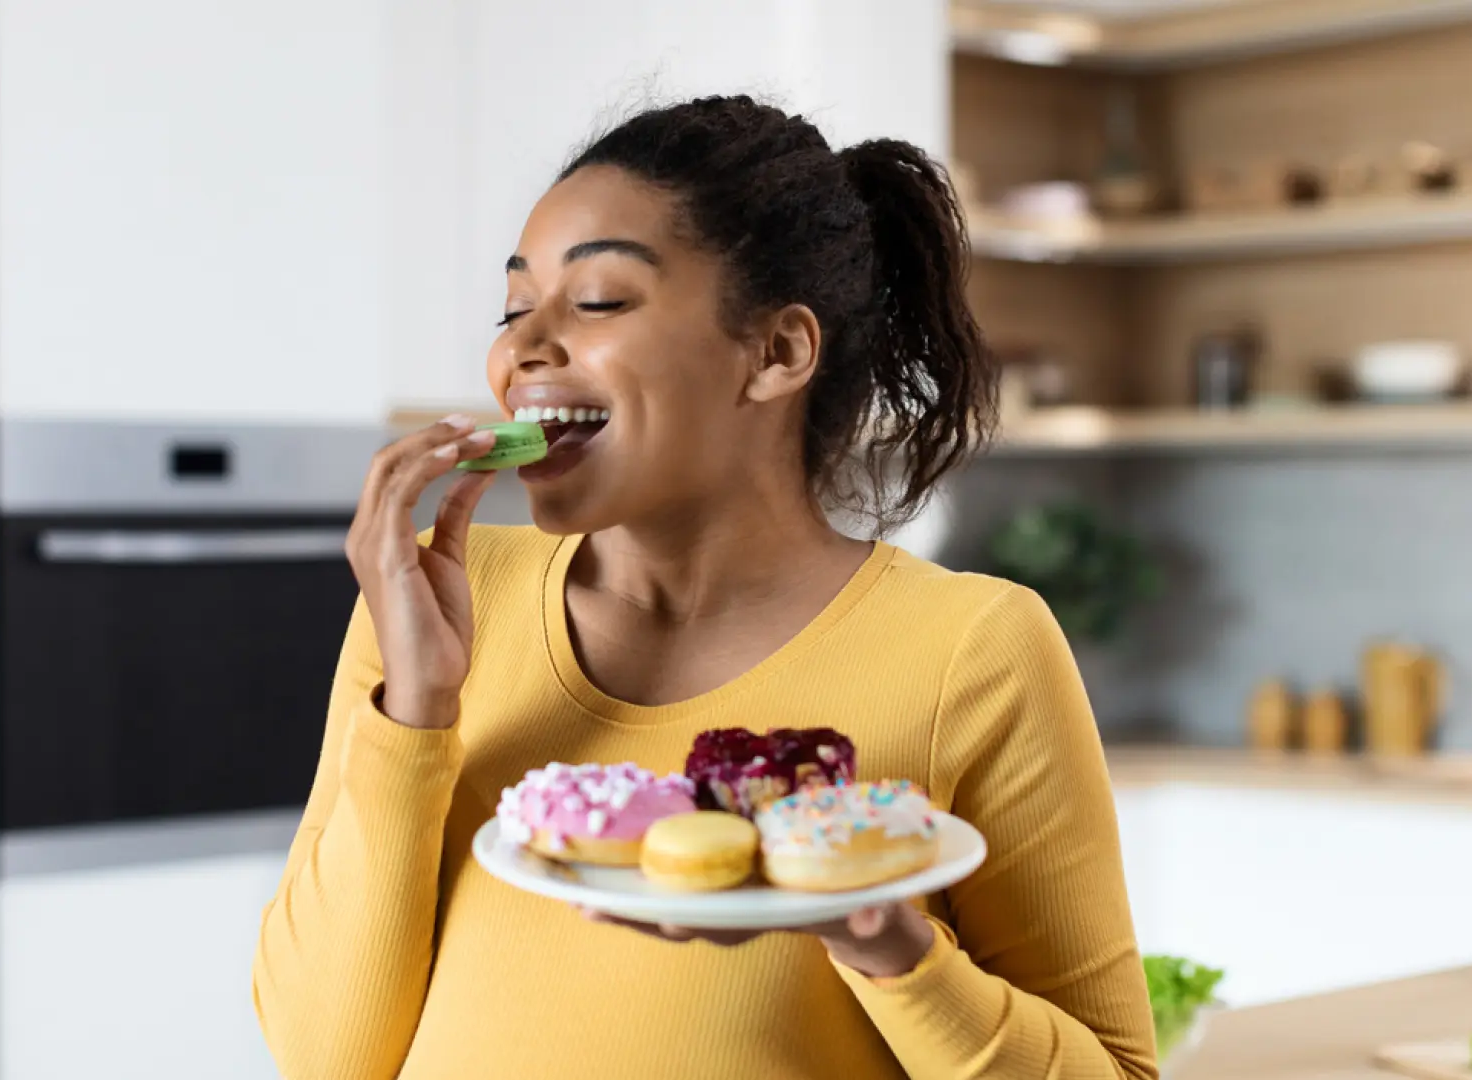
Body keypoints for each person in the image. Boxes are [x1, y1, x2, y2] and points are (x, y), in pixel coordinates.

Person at [252, 95, 1156, 1080]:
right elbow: (321, 1059)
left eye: (596, 301)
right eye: (514, 309)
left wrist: (887, 947)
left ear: (776, 353)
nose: (520, 352)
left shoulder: (970, 650)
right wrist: (416, 716)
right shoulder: (438, 602)